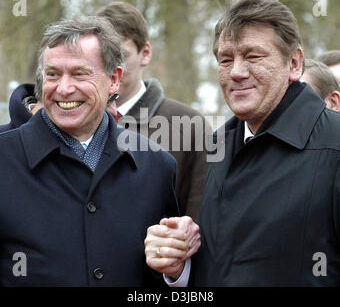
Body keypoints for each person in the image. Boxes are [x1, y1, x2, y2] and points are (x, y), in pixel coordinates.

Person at [146, 0, 340, 286]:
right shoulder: (217, 148)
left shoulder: (335, 144)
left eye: (253, 56)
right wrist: (179, 266)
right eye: (226, 59)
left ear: (294, 63)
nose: (236, 72)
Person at [0, 16, 200, 286]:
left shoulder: (157, 166)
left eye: (80, 74)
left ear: (114, 79)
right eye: (53, 74)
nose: (64, 88)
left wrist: (174, 271)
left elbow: (161, 275)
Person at [96, 1, 209, 221]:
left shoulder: (188, 125)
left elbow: (199, 217)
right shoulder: (77, 123)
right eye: (102, 58)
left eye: (120, 57)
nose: (111, 70)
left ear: (145, 53)